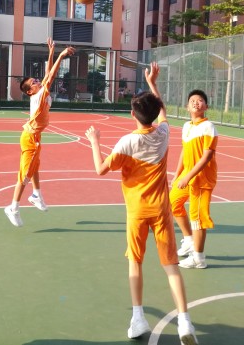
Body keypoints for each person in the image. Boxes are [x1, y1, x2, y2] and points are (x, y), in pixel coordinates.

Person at [85, 62, 198, 344]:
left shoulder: (127, 142)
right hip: (161, 210)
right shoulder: (163, 134)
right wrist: (152, 83)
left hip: (137, 211)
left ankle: (138, 319)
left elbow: (100, 169)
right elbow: (163, 113)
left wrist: (94, 141)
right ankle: (185, 322)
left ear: (132, 114)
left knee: (135, 263)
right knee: (171, 266)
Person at [4, 38, 76, 227]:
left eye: (36, 80)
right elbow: (50, 77)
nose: (37, 81)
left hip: (34, 136)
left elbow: (47, 74)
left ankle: (36, 195)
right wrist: (61, 55)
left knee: (34, 167)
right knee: (24, 175)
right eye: (34, 82)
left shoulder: (39, 91)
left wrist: (51, 52)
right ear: (30, 91)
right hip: (29, 138)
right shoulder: (37, 96)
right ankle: (12, 208)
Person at [170, 89, 218, 269]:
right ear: (187, 107)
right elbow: (184, 151)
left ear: (206, 106)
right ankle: (189, 240)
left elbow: (206, 157)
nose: (196, 102)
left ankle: (199, 258)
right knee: (173, 203)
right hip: (187, 175)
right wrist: (177, 175)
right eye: (193, 101)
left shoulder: (209, 127)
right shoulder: (186, 126)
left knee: (197, 218)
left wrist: (188, 176)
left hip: (201, 179)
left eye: (200, 100)